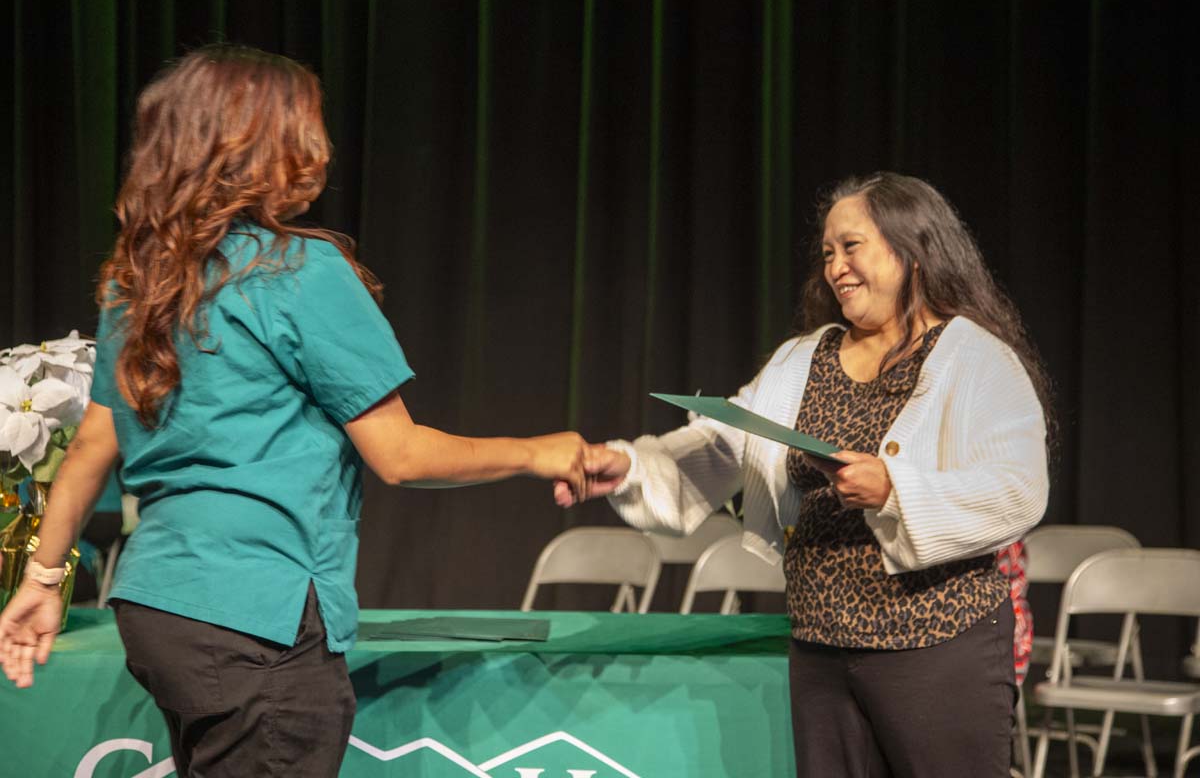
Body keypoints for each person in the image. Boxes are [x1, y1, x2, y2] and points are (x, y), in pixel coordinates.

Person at [0, 44, 588, 777]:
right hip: (259, 621)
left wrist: (41, 582)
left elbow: (93, 447)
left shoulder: (138, 285)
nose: (323, 145)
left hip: (158, 608)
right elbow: (401, 457)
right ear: (263, 142)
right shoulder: (297, 270)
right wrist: (538, 451)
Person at [558, 172, 1051, 777]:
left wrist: (895, 490)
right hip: (821, 648)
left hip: (936, 648)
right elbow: (720, 446)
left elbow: (1019, 490)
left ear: (914, 251)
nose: (835, 267)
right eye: (827, 253)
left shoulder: (973, 357)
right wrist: (630, 464)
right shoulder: (802, 359)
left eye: (852, 247)